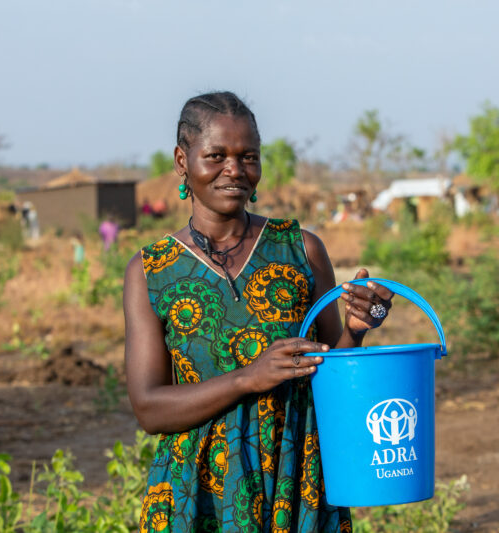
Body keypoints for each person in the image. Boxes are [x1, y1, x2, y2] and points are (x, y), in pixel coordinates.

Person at [123, 91, 393, 533]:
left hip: (296, 476)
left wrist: (357, 331)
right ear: (181, 161)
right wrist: (248, 377)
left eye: (248, 156)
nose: (235, 170)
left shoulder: (300, 249)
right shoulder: (151, 271)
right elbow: (149, 409)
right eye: (216, 155)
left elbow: (333, 375)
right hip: (201, 490)